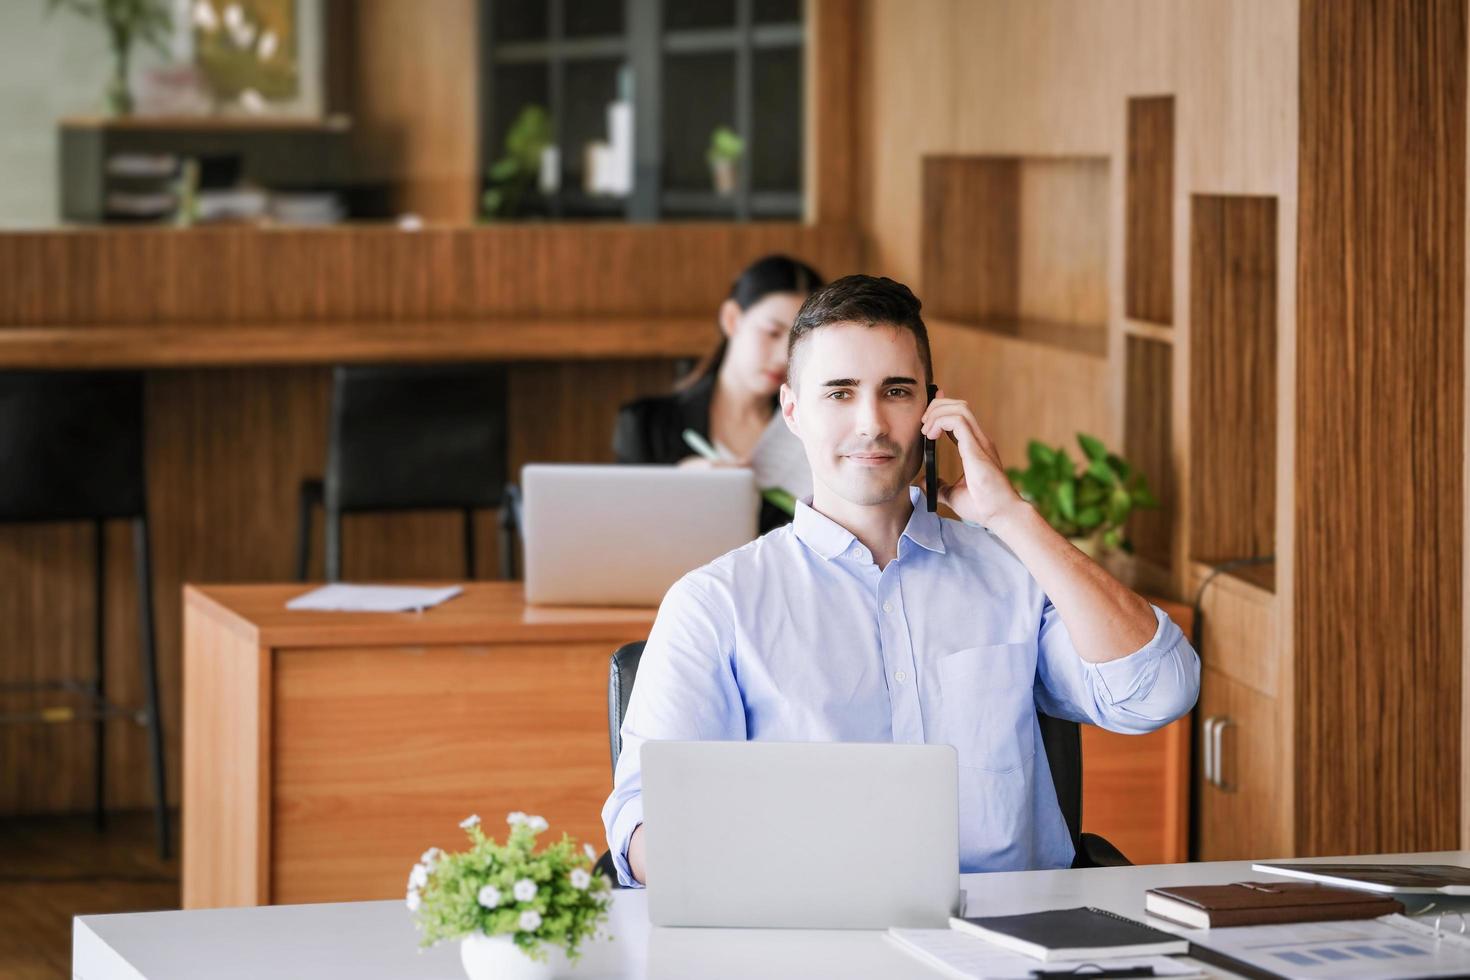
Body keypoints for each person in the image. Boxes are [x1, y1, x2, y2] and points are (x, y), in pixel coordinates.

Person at [602, 275, 1200, 886]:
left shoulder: (1012, 573)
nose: (872, 424)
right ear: (792, 411)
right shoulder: (715, 602)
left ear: (931, 410)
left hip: (1011, 940)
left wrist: (1013, 519)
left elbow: (1157, 694)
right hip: (815, 937)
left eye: (896, 391)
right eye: (839, 393)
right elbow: (644, 823)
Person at [613, 254, 823, 533]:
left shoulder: (811, 433)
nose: (782, 357)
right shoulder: (645, 424)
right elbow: (621, 533)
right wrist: (675, 486)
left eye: (797, 344)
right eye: (772, 333)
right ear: (732, 319)